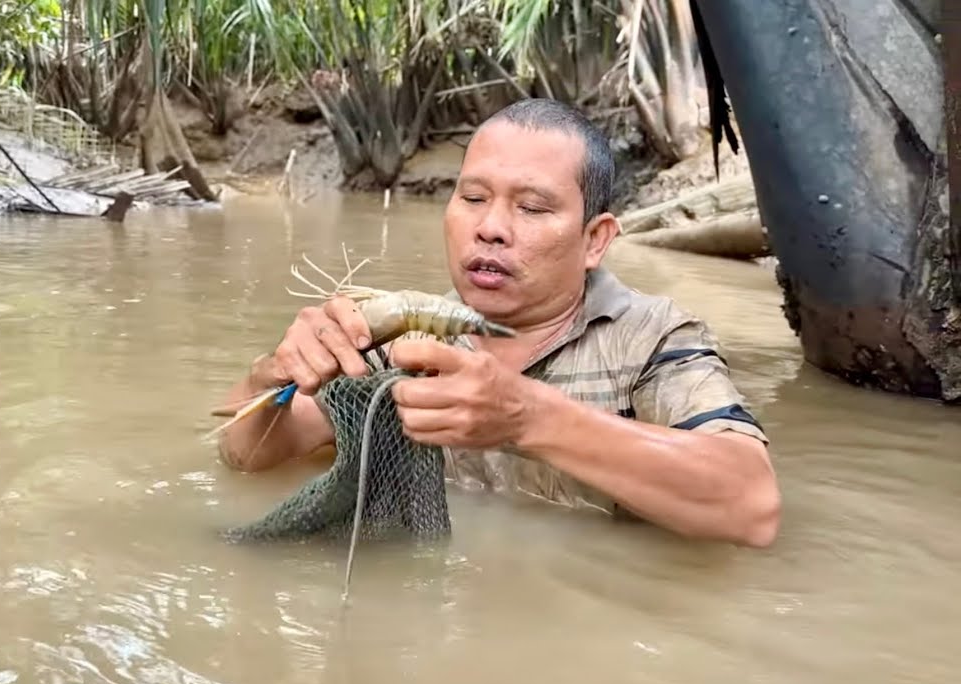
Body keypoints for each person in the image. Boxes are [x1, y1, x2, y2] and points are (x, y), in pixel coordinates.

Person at [215, 98, 781, 548]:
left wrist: (526, 418)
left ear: (594, 240)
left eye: (531, 208)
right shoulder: (402, 339)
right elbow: (247, 457)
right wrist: (274, 377)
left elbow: (750, 505)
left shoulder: (653, 338)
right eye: (473, 197)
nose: (490, 227)